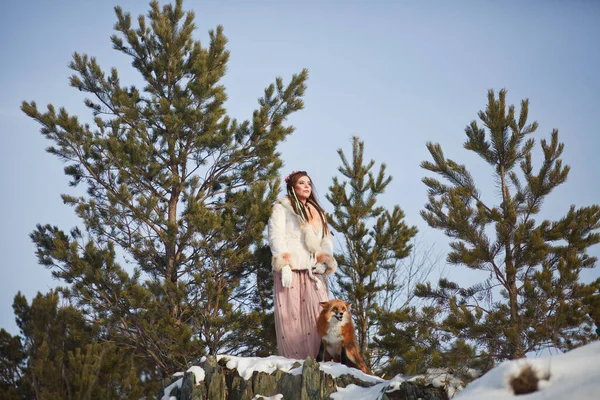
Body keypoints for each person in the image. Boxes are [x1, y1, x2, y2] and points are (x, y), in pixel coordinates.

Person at [268, 170, 337, 359]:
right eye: (302, 183)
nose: (307, 186)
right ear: (292, 186)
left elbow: (326, 240)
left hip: (313, 272)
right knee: (291, 318)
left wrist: (325, 261)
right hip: (290, 270)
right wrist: (284, 265)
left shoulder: (317, 212)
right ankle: (294, 363)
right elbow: (276, 236)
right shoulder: (281, 208)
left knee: (319, 317)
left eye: (309, 183)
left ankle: (321, 361)